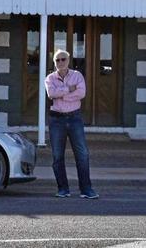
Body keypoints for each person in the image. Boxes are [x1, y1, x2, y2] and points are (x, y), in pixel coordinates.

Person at [44, 49, 99, 199]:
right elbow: (51, 94)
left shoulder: (77, 75)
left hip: (75, 118)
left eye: (63, 59)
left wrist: (62, 95)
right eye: (57, 60)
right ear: (54, 63)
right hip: (56, 120)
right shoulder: (49, 78)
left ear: (69, 60)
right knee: (57, 156)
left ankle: (86, 189)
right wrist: (69, 90)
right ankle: (63, 189)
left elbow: (81, 93)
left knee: (82, 154)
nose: (60, 62)